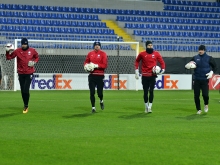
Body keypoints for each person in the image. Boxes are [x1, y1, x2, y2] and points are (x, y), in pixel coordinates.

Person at [5, 38, 39, 114]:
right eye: (23, 44)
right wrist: (7, 51)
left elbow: (37, 57)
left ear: (27, 44)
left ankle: (26, 106)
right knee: (22, 91)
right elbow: (8, 58)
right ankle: (25, 104)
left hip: (29, 72)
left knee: (26, 90)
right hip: (20, 73)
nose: (24, 45)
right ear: (21, 44)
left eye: (25, 44)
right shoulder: (17, 51)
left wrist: (34, 62)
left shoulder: (32, 50)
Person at [185, 45, 217, 115]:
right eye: (199, 50)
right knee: (196, 95)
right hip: (196, 79)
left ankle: (206, 104)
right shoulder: (195, 58)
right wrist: (188, 66)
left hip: (205, 79)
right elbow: (188, 65)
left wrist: (211, 72)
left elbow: (215, 67)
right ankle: (198, 109)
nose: (200, 51)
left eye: (202, 50)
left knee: (205, 95)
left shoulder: (209, 58)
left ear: (204, 50)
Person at [135, 41, 165, 113]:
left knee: (151, 91)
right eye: (149, 45)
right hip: (145, 75)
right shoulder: (142, 54)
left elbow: (162, 62)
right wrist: (136, 70)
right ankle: (146, 107)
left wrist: (163, 69)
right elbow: (137, 61)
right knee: (145, 92)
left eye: (151, 45)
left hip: (153, 75)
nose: (150, 46)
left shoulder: (156, 54)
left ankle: (150, 107)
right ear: (146, 46)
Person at [83, 41, 108, 113]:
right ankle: (93, 108)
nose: (97, 46)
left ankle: (101, 100)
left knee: (100, 93)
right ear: (94, 46)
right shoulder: (90, 54)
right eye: (96, 45)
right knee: (92, 92)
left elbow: (105, 65)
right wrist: (86, 66)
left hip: (100, 76)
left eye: (98, 45)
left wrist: (96, 65)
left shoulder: (103, 54)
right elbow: (86, 62)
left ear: (100, 46)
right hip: (92, 76)